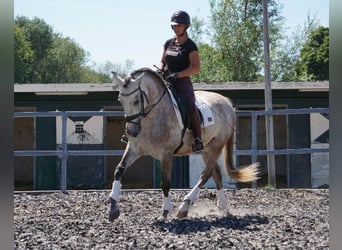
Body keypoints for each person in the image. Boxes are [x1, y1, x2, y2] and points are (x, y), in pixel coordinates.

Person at [158, 10, 203, 152]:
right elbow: (162, 61)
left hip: (182, 81)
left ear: (186, 26)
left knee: (191, 106)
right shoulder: (168, 43)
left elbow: (196, 68)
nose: (176, 27)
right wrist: (160, 70)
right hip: (165, 79)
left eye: (179, 25)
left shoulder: (191, 46)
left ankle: (197, 139)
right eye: (174, 25)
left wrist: (178, 75)